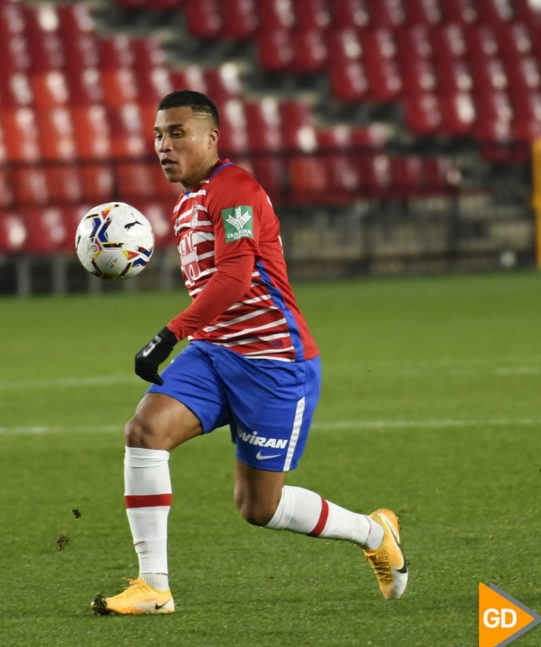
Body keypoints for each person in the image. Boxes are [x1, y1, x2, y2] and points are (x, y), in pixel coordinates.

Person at [91, 90, 407, 615]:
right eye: (157, 135)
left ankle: (373, 533)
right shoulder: (189, 199)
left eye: (177, 133)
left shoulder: (233, 189)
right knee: (144, 432)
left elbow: (236, 278)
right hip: (215, 354)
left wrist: (168, 334)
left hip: (273, 363)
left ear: (211, 138)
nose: (164, 145)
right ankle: (155, 587)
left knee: (259, 507)